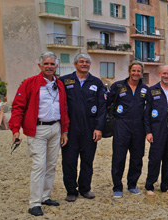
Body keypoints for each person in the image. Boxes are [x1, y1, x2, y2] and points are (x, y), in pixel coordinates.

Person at [9, 51, 70, 216]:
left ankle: (45, 196)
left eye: (52, 64)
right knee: (39, 166)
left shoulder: (60, 85)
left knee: (51, 165)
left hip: (56, 129)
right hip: (38, 129)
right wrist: (15, 130)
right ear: (40, 66)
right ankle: (34, 203)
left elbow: (63, 109)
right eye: (46, 64)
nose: (49, 66)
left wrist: (64, 130)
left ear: (56, 66)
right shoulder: (29, 83)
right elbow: (18, 107)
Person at [58, 53, 106, 202]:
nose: (84, 64)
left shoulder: (97, 83)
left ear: (89, 65)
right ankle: (71, 190)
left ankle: (85, 188)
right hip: (70, 129)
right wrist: (62, 130)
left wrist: (98, 128)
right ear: (75, 64)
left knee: (87, 161)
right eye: (81, 61)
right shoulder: (64, 81)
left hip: (89, 129)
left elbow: (102, 107)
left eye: (87, 62)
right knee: (69, 161)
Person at [108, 61, 149, 198]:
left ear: (142, 73)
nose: (136, 73)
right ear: (129, 71)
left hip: (139, 127)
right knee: (119, 157)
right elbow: (108, 104)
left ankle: (132, 184)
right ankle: (117, 187)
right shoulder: (118, 86)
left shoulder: (145, 89)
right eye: (134, 70)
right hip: (121, 126)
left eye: (138, 71)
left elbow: (148, 109)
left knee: (137, 157)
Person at [143, 65, 168, 196]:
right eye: (164, 73)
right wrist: (148, 132)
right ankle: (150, 185)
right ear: (160, 74)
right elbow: (146, 113)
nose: (166, 76)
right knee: (154, 159)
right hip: (156, 130)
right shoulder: (152, 90)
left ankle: (165, 185)